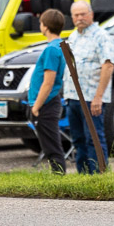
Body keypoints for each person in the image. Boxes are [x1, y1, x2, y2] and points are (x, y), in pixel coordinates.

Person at [63, 1, 114, 174]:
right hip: (73, 97)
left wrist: (98, 97)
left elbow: (108, 66)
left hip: (92, 98)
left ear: (91, 14)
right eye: (76, 15)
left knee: (94, 138)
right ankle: (84, 176)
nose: (80, 18)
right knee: (78, 139)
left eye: (83, 14)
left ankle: (99, 176)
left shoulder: (102, 36)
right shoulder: (73, 37)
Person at [28, 9, 66, 175]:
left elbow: (48, 82)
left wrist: (36, 106)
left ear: (45, 26)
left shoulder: (51, 49)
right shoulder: (61, 45)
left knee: (51, 146)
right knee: (50, 144)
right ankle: (57, 176)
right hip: (49, 101)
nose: (40, 25)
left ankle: (59, 177)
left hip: (46, 103)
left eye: (41, 23)